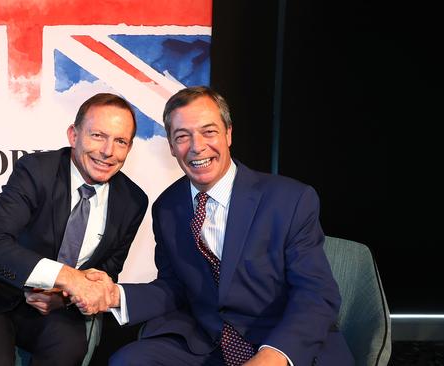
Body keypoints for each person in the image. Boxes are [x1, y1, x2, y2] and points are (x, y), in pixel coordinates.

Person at [78, 86, 354, 365]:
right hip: (207, 343)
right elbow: (174, 287)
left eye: (208, 132)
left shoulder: (289, 199)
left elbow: (316, 293)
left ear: (228, 134)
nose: (197, 146)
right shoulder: (167, 207)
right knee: (128, 361)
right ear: (172, 147)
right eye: (182, 136)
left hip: (282, 341)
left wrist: (274, 355)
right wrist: (115, 295)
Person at [0, 93, 148, 366]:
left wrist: (65, 298)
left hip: (57, 310)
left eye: (120, 141)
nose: (108, 151)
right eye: (98, 136)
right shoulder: (36, 171)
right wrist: (67, 278)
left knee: (67, 353)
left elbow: (107, 270)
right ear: (73, 135)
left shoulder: (133, 201)